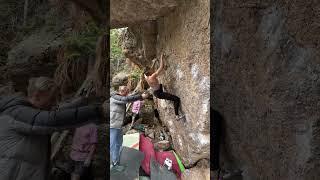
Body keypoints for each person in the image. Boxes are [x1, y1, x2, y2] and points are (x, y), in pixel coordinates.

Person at [0, 76, 106, 180]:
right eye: (51, 99)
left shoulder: (28, 112)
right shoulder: (17, 112)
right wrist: (99, 110)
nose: (54, 103)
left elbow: (59, 110)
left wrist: (83, 100)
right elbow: (52, 119)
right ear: (37, 96)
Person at [110, 86, 148, 172]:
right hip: (113, 126)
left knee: (119, 143)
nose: (127, 94)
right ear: (122, 92)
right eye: (126, 92)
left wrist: (137, 93)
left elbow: (128, 97)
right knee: (112, 145)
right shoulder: (115, 97)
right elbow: (126, 99)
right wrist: (141, 96)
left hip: (118, 125)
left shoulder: (120, 96)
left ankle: (116, 159)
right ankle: (113, 163)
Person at [144, 53, 184, 120]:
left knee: (161, 85)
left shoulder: (146, 77)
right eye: (151, 70)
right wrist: (161, 58)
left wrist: (154, 63)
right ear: (150, 72)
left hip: (157, 91)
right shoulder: (152, 76)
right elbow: (161, 67)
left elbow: (150, 69)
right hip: (159, 93)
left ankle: (167, 97)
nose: (152, 70)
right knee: (176, 99)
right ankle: (177, 116)